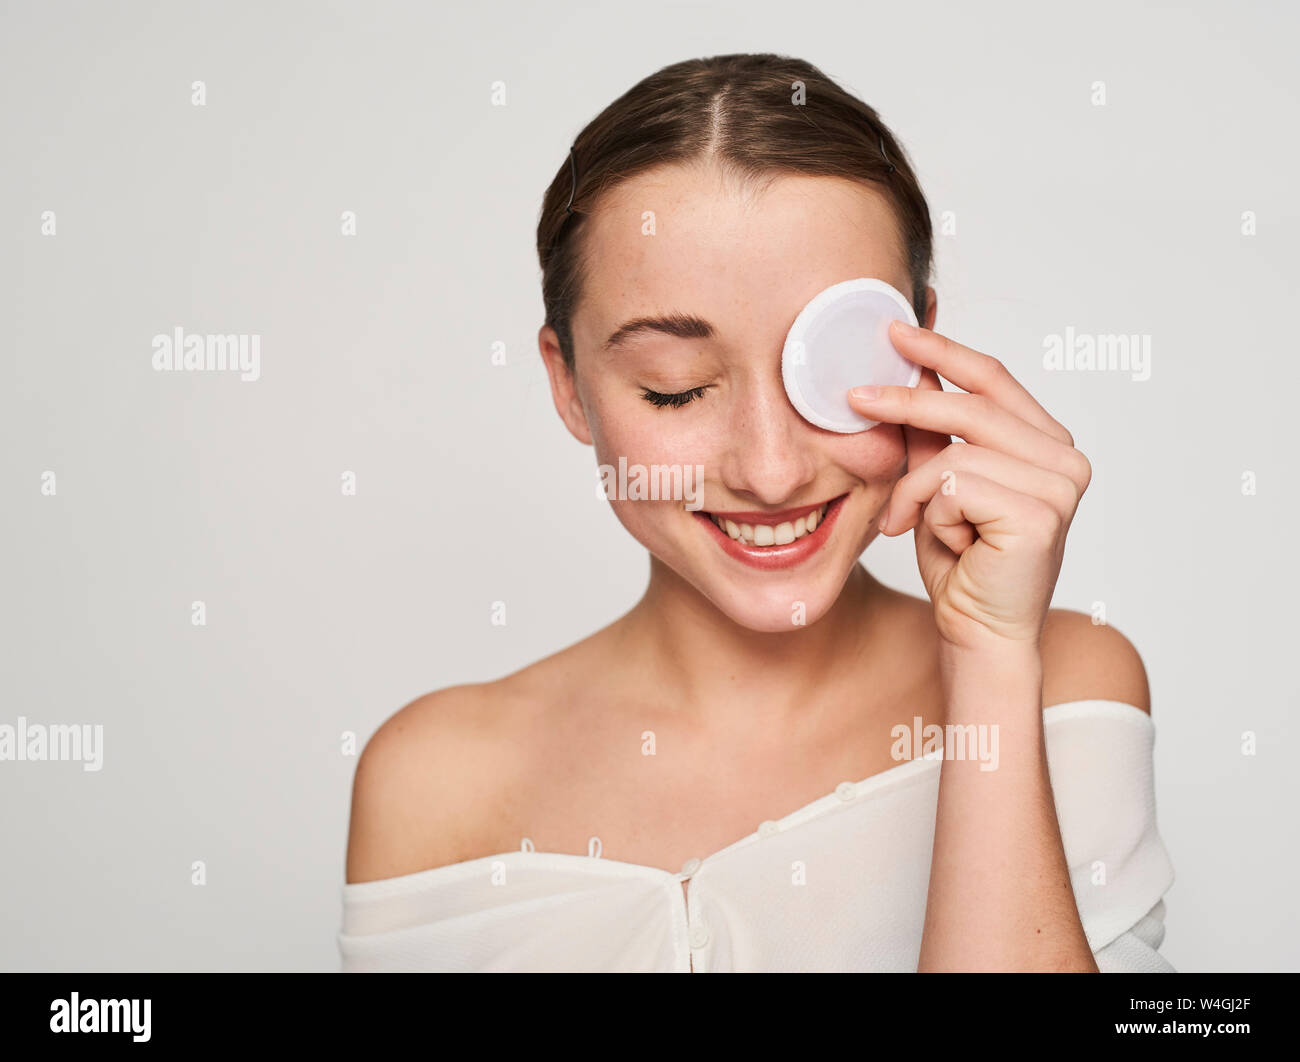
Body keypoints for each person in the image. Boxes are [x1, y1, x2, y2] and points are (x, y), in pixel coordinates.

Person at [338, 53, 1174, 972]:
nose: (771, 472)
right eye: (675, 391)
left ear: (923, 350)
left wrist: (988, 657)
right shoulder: (433, 781)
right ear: (567, 383)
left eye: (833, 373)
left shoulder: (1063, 688)